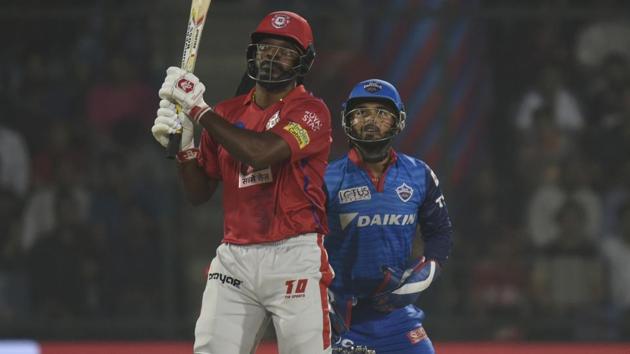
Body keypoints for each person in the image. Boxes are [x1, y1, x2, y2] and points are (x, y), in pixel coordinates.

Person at [151, 11, 334, 354]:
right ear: (253, 52)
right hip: (235, 258)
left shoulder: (311, 112)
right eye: (266, 48)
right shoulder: (227, 113)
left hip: (294, 253)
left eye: (285, 51)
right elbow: (198, 192)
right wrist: (185, 146)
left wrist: (198, 111)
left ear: (303, 61)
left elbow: (260, 153)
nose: (272, 57)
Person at [324, 79, 453, 353]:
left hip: (396, 315)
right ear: (347, 120)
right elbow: (302, 244)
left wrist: (422, 277)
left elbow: (440, 234)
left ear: (399, 121)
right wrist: (320, 303)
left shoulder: (420, 174)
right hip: (338, 318)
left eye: (382, 113)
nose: (371, 120)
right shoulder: (325, 178)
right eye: (361, 112)